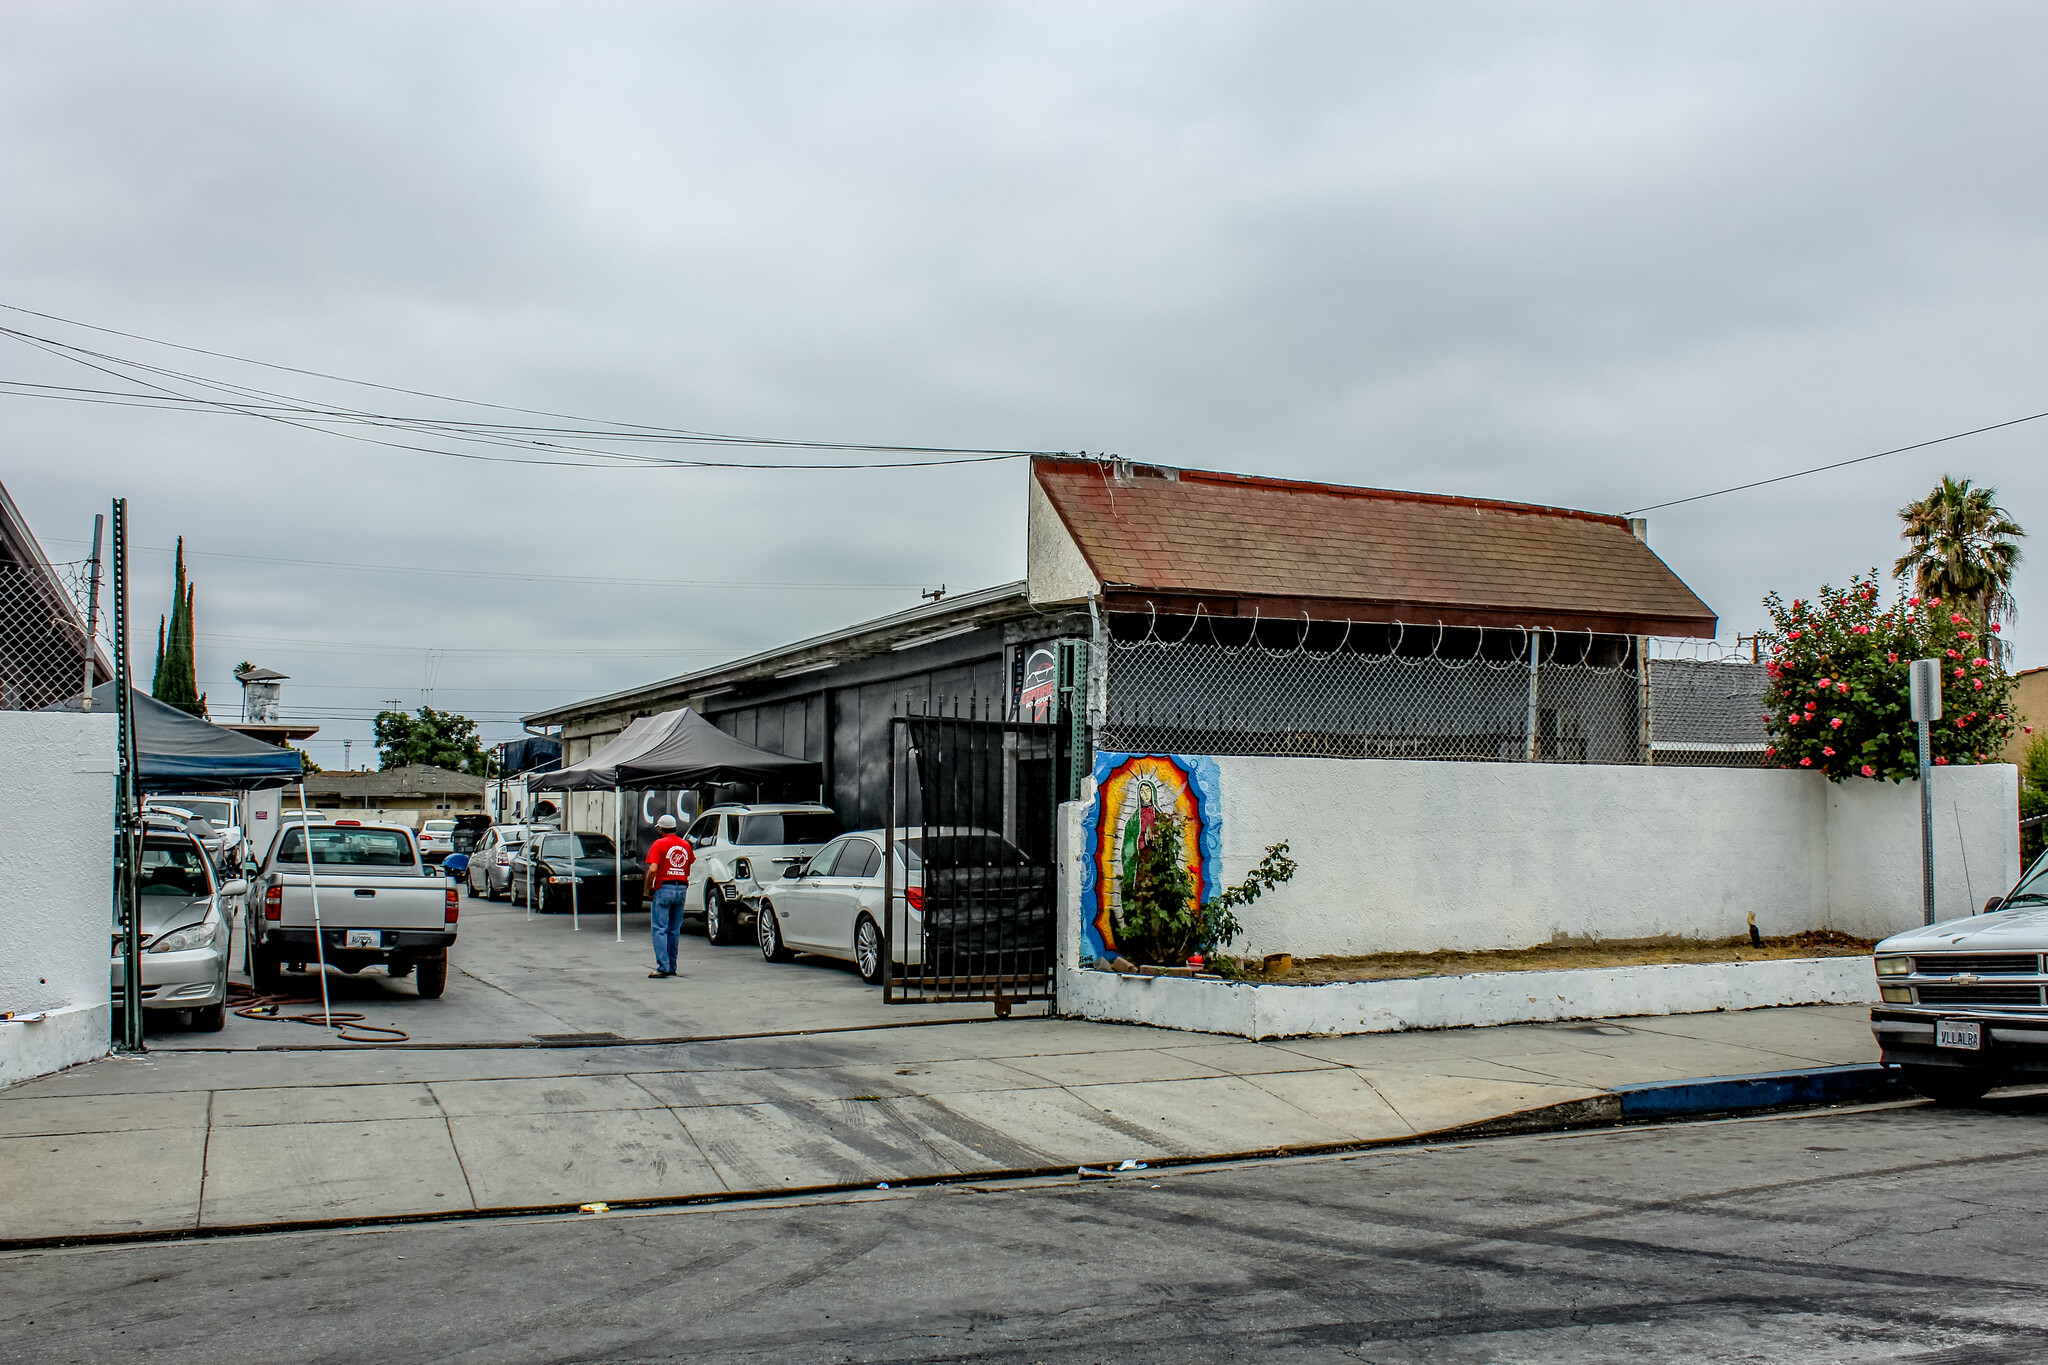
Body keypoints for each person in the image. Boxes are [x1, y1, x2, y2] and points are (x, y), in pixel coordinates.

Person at [642, 814, 694, 978]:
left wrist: (648, 888)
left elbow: (652, 869)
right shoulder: (685, 845)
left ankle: (662, 967)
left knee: (660, 929)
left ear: (661, 829)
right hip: (681, 888)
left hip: (664, 888)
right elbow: (688, 868)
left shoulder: (659, 844)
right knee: (674, 929)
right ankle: (672, 965)